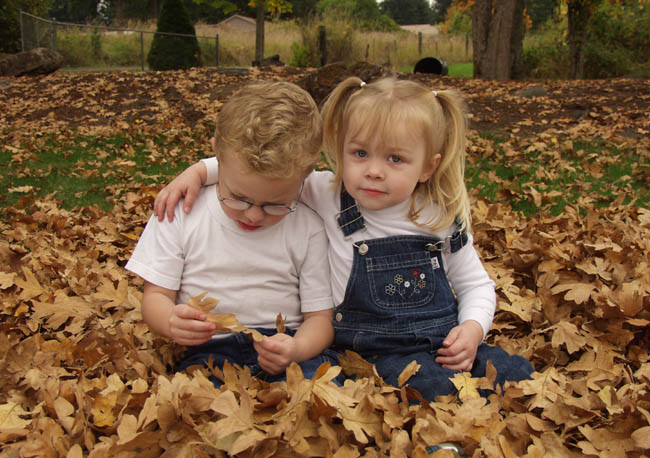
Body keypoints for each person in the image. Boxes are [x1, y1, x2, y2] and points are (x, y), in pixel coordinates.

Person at [153, 76, 534, 401]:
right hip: (362, 350)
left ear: (428, 166)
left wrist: (472, 327)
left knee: (515, 374)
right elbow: (261, 170)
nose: (373, 171)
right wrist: (200, 172)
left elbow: (475, 284)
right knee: (426, 390)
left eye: (395, 159)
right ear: (341, 151)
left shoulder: (438, 216)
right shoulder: (323, 192)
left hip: (439, 343)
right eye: (360, 153)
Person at [126, 80, 338, 388]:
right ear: (216, 155)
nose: (253, 214)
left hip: (287, 345)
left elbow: (320, 319)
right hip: (211, 349)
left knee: (321, 395)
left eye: (276, 205)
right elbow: (156, 296)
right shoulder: (183, 211)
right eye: (237, 198)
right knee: (195, 402)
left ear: (305, 177)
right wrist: (171, 321)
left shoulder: (308, 227)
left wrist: (297, 349)